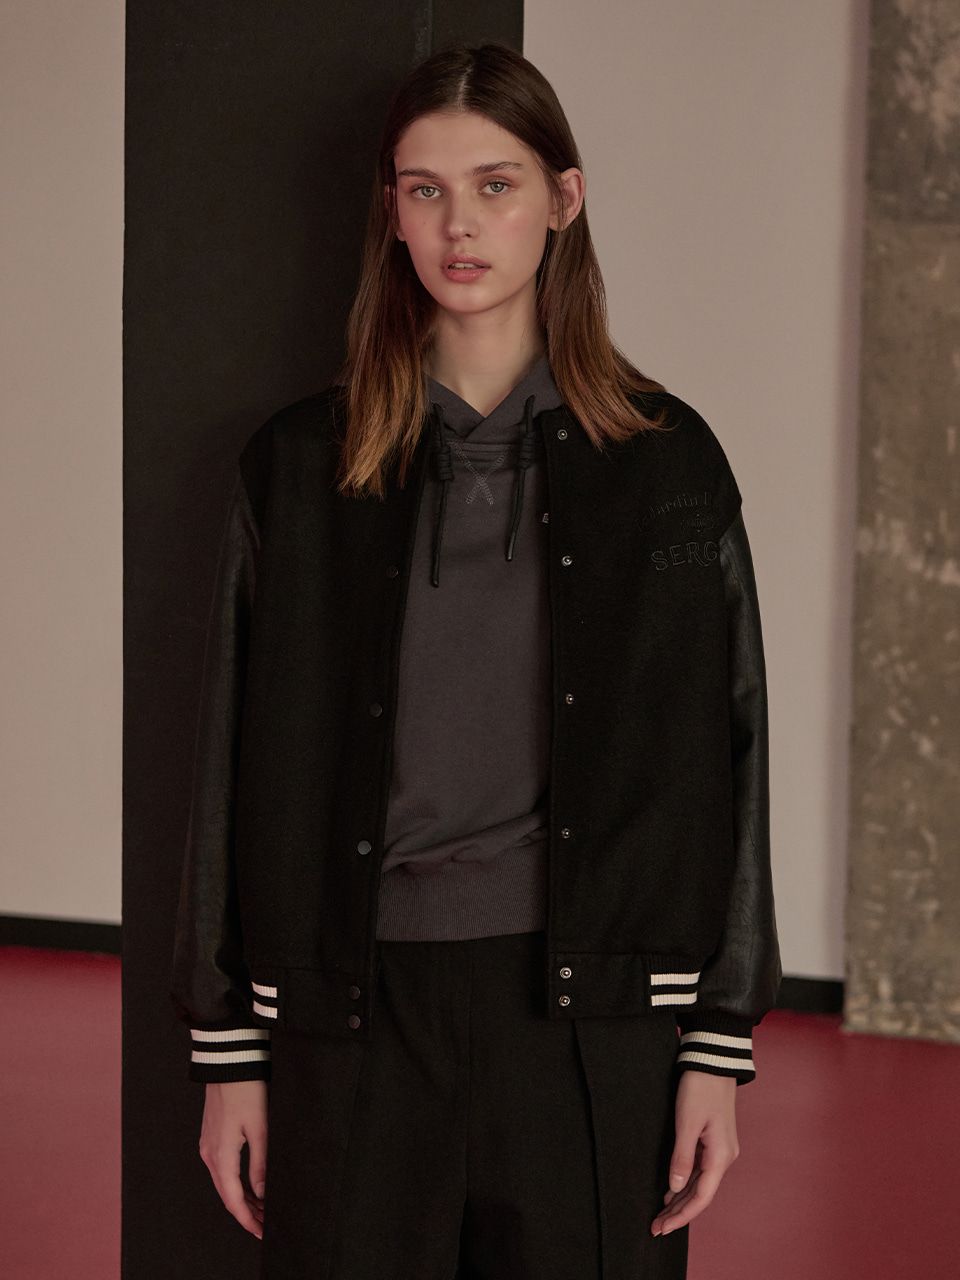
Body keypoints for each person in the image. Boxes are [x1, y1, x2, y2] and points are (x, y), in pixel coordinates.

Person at [169, 40, 781, 1280]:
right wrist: (229, 1050)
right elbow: (230, 755)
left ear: (564, 199)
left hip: (595, 1022)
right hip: (352, 1013)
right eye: (426, 189)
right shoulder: (297, 468)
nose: (460, 224)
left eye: (496, 185)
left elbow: (733, 747)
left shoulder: (669, 464)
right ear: (391, 214)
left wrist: (717, 1040)